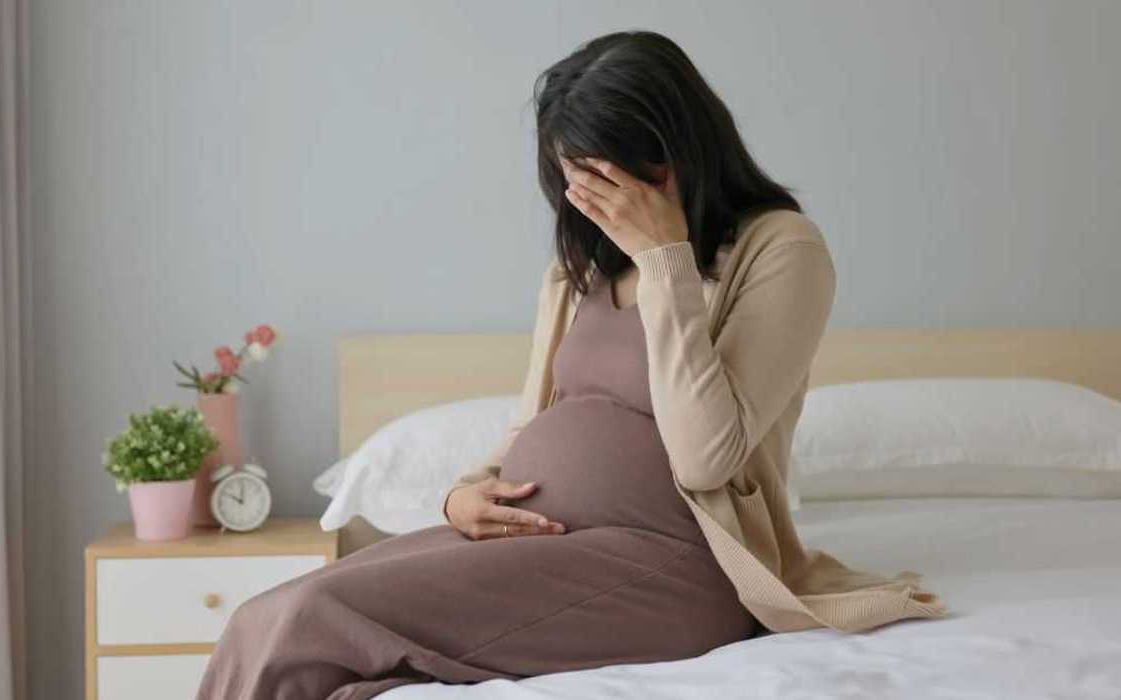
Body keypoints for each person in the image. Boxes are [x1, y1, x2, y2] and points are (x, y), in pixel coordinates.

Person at [197, 28, 942, 700]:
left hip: (671, 566)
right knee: (268, 622)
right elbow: (533, 421)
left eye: (609, 175)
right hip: (534, 543)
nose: (594, 199)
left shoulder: (780, 249)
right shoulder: (579, 265)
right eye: (576, 175)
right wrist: (461, 495)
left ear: (673, 152)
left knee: (306, 617)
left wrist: (665, 263)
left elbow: (708, 456)